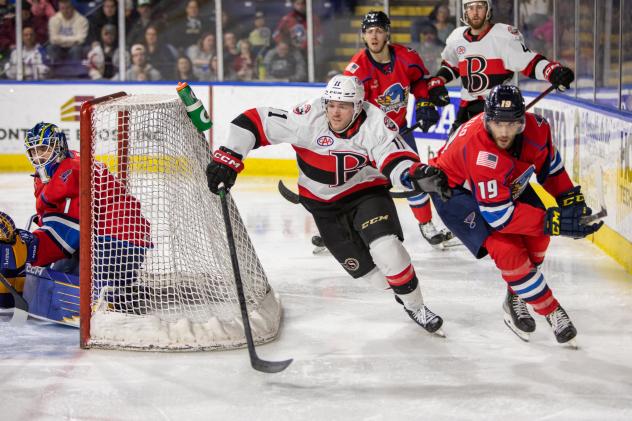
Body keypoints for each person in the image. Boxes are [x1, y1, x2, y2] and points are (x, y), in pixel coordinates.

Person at [205, 75, 451, 335]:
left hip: (365, 193)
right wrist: (228, 157)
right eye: (331, 104)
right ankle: (403, 290)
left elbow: (394, 158)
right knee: (374, 276)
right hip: (322, 207)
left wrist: (414, 175)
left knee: (387, 249)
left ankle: (416, 306)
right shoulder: (308, 118)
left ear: (357, 106)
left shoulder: (376, 123)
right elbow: (255, 121)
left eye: (343, 106)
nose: (335, 112)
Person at [427, 85, 603, 345]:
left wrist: (569, 199)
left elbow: (550, 168)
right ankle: (552, 311)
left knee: (538, 239)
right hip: (456, 194)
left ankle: (516, 295)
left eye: (512, 124)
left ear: (523, 120)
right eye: (498, 123)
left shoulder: (539, 128)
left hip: (503, 184)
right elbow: (499, 217)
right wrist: (554, 221)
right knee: (508, 250)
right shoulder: (481, 152)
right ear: (487, 118)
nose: (505, 132)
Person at [0, 122, 152, 322]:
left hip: (117, 239)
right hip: (105, 236)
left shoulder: (70, 173)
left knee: (82, 292)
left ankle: (122, 295)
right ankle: (124, 285)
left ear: (59, 146)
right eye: (34, 151)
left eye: (44, 149)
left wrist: (24, 246)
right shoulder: (65, 164)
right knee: (55, 276)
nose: (39, 157)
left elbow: (66, 235)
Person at [343, 11, 454, 248]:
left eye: (379, 30)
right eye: (369, 31)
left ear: (387, 33)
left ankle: (426, 224)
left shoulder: (406, 57)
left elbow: (419, 81)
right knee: (355, 184)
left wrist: (424, 103)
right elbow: (347, 107)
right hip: (368, 136)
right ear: (363, 35)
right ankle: (338, 226)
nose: (374, 36)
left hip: (400, 130)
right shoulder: (356, 70)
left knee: (414, 176)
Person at [432, 0, 575, 133]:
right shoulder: (457, 37)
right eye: (470, 8)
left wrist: (552, 71)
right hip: (466, 110)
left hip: (500, 110)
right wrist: (438, 80)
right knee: (452, 154)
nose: (475, 13)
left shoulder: (503, 36)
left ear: (488, 9)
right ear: (465, 11)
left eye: (480, 7)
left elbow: (530, 62)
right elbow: (453, 65)